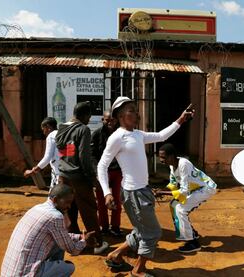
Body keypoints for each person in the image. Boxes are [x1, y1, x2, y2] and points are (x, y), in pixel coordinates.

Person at [97, 96, 194, 277]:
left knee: (142, 230)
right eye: (131, 110)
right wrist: (107, 193)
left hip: (143, 191)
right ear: (119, 116)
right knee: (153, 232)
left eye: (135, 109)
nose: (136, 113)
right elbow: (102, 165)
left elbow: (161, 135)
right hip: (133, 194)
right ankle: (139, 270)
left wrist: (181, 119)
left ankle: (115, 255)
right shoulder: (117, 137)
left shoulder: (138, 134)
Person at [0, 184, 96, 277]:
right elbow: (73, 250)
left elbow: (61, 235)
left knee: (58, 245)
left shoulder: (37, 208)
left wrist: (79, 236)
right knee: (69, 267)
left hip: (9, 273)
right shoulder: (55, 217)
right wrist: (84, 241)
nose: (69, 206)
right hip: (27, 274)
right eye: (67, 202)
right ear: (55, 199)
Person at [55, 101, 108, 255]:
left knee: (68, 209)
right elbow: (83, 157)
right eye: (89, 117)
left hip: (63, 177)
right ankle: (96, 243)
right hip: (78, 178)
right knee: (89, 210)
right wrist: (92, 178)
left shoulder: (61, 128)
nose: (89, 120)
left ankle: (73, 241)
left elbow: (64, 152)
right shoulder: (83, 130)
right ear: (85, 115)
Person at [157, 143, 217, 253]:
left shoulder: (183, 164)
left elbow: (183, 190)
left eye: (163, 157)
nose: (161, 160)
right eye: (160, 157)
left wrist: (163, 192)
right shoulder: (172, 165)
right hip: (195, 189)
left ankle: (192, 242)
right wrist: (160, 190)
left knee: (180, 209)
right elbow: (173, 184)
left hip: (205, 188)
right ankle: (192, 233)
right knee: (174, 205)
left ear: (172, 156)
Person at [91, 110, 124, 237]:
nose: (110, 122)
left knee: (116, 199)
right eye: (107, 120)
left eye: (112, 120)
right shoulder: (97, 134)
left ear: (116, 120)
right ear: (102, 120)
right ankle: (104, 227)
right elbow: (92, 155)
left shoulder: (121, 134)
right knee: (101, 201)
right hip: (102, 172)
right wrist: (96, 172)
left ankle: (115, 227)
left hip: (117, 171)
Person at [24, 117, 59, 189]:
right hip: (68, 173)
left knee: (53, 198)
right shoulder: (63, 134)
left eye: (43, 129)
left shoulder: (51, 136)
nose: (43, 132)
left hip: (58, 173)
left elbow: (47, 157)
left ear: (48, 127)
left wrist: (33, 171)